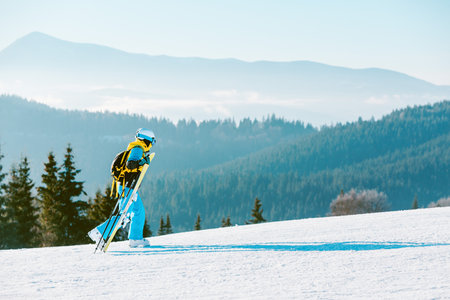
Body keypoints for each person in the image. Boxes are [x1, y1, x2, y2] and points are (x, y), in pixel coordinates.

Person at [88, 128, 156, 248]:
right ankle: (99, 232)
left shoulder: (135, 148)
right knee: (124, 215)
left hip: (127, 186)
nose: (152, 145)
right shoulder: (137, 149)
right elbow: (131, 165)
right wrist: (142, 162)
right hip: (128, 187)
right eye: (152, 142)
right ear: (147, 140)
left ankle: (135, 239)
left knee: (137, 212)